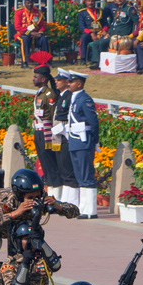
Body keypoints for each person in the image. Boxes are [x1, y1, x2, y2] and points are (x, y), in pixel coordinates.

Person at [54, 70, 99, 218]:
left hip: (84, 141)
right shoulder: (75, 98)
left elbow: (93, 122)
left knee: (86, 176)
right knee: (80, 176)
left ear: (79, 84)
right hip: (74, 141)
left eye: (71, 82)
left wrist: (94, 141)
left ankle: (90, 210)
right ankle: (83, 208)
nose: (69, 84)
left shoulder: (85, 99)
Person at [31, 65, 61, 201]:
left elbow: (53, 114)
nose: (33, 79)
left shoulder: (49, 94)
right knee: (44, 161)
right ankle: (50, 191)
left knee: (49, 162)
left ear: (43, 79)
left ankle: (56, 194)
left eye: (36, 77)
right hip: (38, 130)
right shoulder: (40, 93)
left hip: (46, 130)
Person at [51, 69, 80, 206]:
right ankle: (66, 200)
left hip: (65, 137)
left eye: (59, 80)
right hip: (59, 137)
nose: (56, 82)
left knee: (68, 171)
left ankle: (72, 202)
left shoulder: (69, 96)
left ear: (66, 82)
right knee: (63, 170)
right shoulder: (62, 96)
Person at [87, 0, 136, 69]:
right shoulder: (118, 9)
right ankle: (97, 62)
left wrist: (132, 35)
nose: (119, 0)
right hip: (113, 34)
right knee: (96, 44)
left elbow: (137, 22)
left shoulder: (129, 9)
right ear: (115, 0)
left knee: (102, 43)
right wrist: (108, 33)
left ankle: (104, 62)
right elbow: (114, 24)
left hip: (121, 35)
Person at [14, 0, 48, 68]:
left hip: (35, 35)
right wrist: (30, 33)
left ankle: (44, 62)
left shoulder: (38, 12)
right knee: (25, 40)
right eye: (28, 3)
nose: (30, 4)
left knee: (44, 39)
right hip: (22, 35)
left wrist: (40, 33)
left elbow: (42, 26)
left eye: (31, 3)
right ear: (25, 3)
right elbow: (18, 27)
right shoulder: (19, 12)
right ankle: (24, 62)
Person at [77, 0, 110, 64]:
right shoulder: (82, 13)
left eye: (92, 1)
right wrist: (91, 34)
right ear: (85, 2)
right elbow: (82, 26)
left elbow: (106, 23)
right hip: (89, 33)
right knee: (84, 37)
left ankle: (105, 58)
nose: (90, 3)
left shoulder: (100, 11)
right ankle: (83, 59)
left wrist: (104, 30)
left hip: (100, 32)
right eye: (89, 1)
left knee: (107, 38)